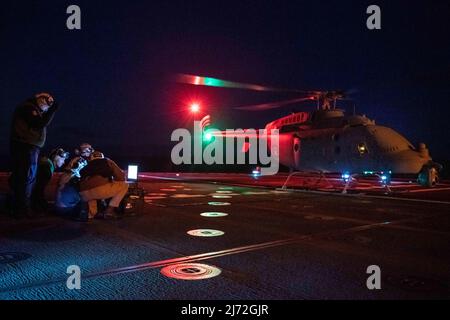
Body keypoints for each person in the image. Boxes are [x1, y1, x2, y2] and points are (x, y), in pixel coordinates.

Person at [9, 93, 59, 218]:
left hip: (27, 147)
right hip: (26, 146)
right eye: (47, 105)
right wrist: (52, 110)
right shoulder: (28, 108)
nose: (47, 108)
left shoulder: (31, 109)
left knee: (23, 176)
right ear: (41, 100)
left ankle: (19, 207)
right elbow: (39, 123)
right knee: (27, 177)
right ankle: (23, 210)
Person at [78, 151, 129, 221]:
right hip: (99, 191)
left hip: (83, 193)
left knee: (92, 197)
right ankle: (109, 210)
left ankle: (90, 215)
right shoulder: (107, 161)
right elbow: (121, 177)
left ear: (91, 158)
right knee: (125, 185)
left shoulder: (86, 166)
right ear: (102, 157)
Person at [31, 148, 69, 213]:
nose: (63, 162)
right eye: (62, 159)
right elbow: (38, 190)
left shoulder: (46, 164)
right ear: (56, 157)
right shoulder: (46, 168)